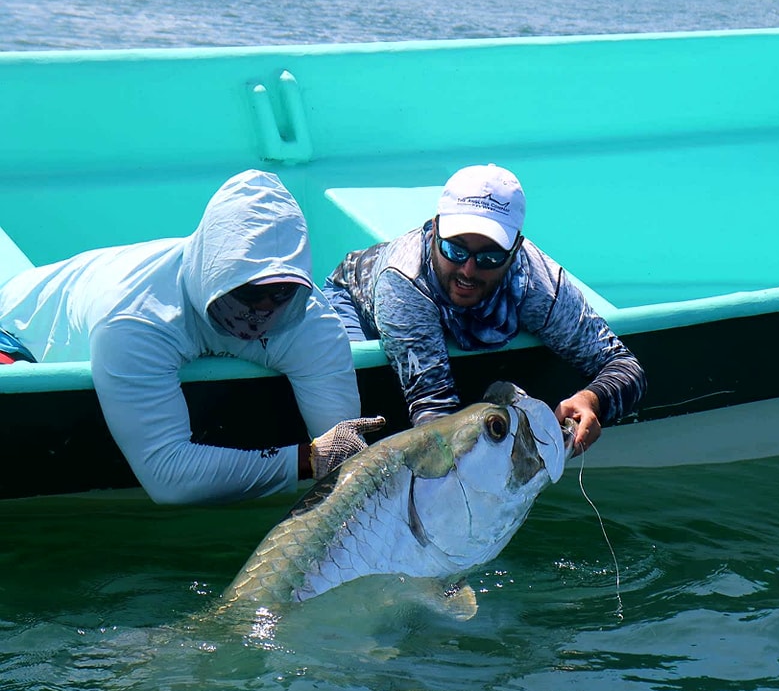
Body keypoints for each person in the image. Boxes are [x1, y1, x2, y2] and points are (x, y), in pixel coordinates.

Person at [0, 169, 362, 505]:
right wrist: (307, 459)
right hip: (18, 332)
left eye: (281, 291)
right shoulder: (136, 319)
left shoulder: (309, 317)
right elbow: (168, 479)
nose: (264, 310)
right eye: (251, 293)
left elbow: (346, 454)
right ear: (217, 273)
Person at [322, 163, 646, 454]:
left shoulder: (536, 282)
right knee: (356, 407)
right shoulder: (404, 282)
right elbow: (434, 415)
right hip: (356, 305)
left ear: (516, 248)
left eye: (490, 257)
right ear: (434, 229)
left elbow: (624, 365)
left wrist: (593, 400)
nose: (468, 270)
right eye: (455, 249)